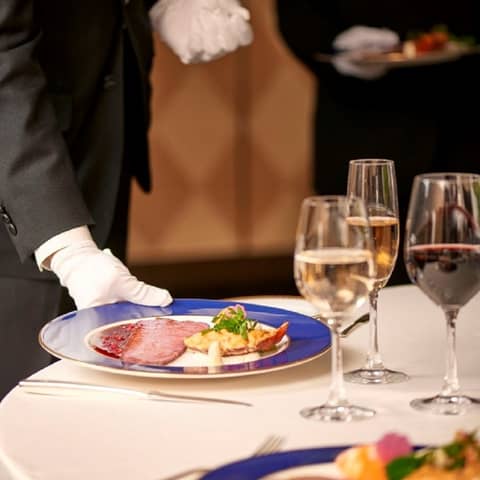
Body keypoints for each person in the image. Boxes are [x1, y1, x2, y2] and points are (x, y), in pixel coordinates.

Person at [0, 0, 252, 399]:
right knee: (28, 400)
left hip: (106, 140)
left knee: (98, 390)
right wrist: (69, 252)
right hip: (24, 180)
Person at [275, 1, 480, 285]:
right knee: (363, 285)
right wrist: (331, 43)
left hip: (466, 131)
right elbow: (297, 14)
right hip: (364, 133)